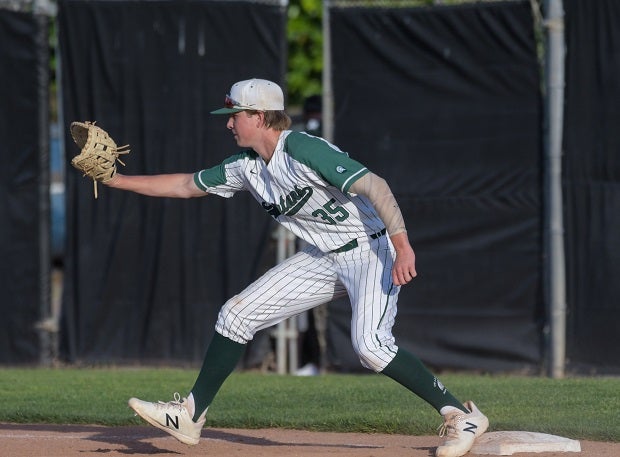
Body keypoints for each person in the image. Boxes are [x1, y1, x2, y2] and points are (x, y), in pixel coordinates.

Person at [105, 78, 488, 457]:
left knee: (371, 347)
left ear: (258, 116)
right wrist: (115, 179)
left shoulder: (303, 148)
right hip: (323, 256)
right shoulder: (246, 167)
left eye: (234, 115)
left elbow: (376, 185)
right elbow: (186, 185)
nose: (228, 123)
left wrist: (402, 246)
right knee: (236, 315)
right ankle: (190, 415)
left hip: (369, 251)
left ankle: (460, 416)